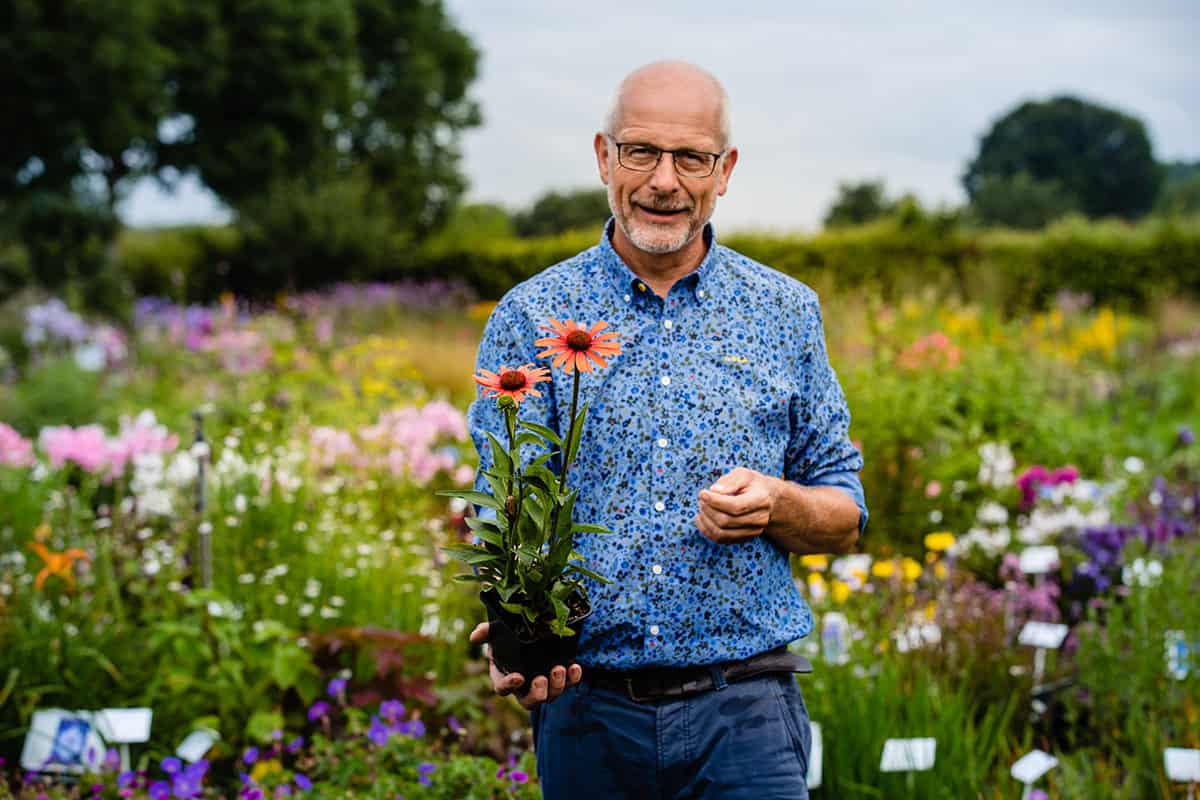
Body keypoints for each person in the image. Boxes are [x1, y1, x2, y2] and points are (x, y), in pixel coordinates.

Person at [466, 60, 868, 800]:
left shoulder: (784, 313)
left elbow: (845, 517)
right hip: (587, 713)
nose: (664, 181)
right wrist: (510, 628)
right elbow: (501, 504)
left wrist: (779, 501)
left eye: (691, 157)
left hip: (745, 715)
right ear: (603, 157)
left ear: (726, 171)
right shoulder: (532, 315)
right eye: (642, 151)